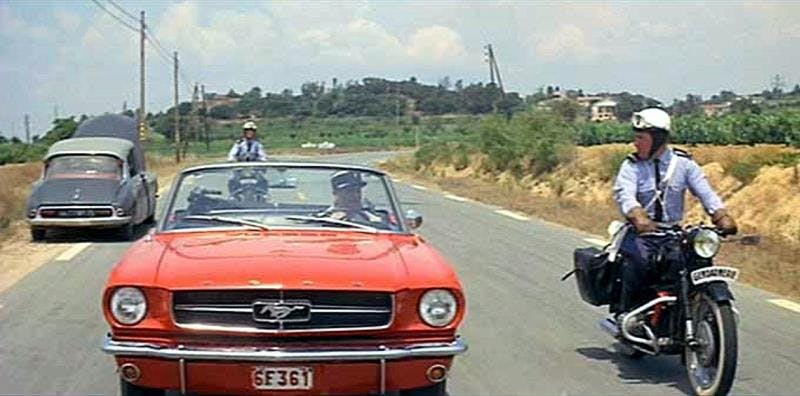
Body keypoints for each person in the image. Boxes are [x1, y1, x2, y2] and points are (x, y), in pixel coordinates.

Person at [612, 107, 737, 314]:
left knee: (698, 260)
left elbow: (705, 192)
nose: (636, 143)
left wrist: (721, 215)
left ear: (658, 138)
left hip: (673, 233)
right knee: (640, 262)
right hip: (642, 233)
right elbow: (624, 194)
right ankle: (629, 314)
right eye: (636, 137)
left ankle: (699, 310)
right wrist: (638, 215)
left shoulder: (684, 164)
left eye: (641, 138)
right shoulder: (631, 165)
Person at [317, 171, 384, 225]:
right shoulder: (322, 218)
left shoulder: (371, 218)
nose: (355, 195)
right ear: (336, 193)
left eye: (358, 191)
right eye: (349, 191)